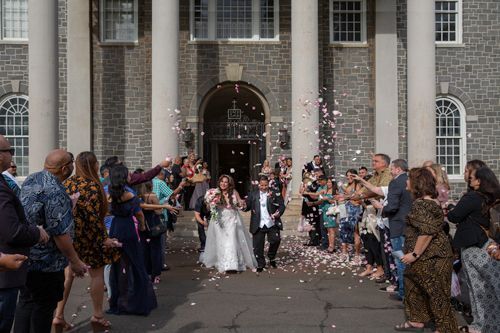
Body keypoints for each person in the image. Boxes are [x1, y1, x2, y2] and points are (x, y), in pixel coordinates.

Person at [14, 149, 88, 333]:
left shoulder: (32, 179)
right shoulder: (55, 191)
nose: (73, 166)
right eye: (72, 162)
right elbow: (60, 233)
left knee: (26, 302)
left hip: (26, 256)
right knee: (43, 308)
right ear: (65, 168)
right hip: (46, 263)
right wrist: (75, 261)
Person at [53, 152, 122, 332]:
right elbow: (94, 218)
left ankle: (58, 316)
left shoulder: (67, 183)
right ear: (94, 165)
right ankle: (98, 315)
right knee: (97, 275)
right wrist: (104, 238)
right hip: (90, 237)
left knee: (67, 276)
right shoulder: (93, 186)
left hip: (70, 237)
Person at [394, 167, 458, 332]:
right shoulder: (428, 201)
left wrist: (414, 254)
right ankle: (417, 318)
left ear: (417, 183)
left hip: (432, 256)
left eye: (409, 179)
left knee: (437, 293)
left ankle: (445, 328)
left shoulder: (422, 204)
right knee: (412, 283)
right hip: (430, 255)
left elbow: (427, 232)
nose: (406, 182)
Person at [0, 135, 49, 333]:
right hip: (4, 277)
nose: (12, 155)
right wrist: (36, 232)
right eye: (9, 150)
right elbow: (12, 231)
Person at [447, 166, 500, 333]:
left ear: (480, 181)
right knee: (492, 287)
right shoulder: (492, 198)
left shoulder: (472, 197)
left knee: (478, 288)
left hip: (474, 245)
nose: (470, 179)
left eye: (473, 177)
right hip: (489, 243)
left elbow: (454, 216)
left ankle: (482, 324)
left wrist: (450, 209)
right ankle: (490, 324)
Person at [106, 165, 157, 316]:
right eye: (127, 174)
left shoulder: (109, 193)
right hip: (128, 228)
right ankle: (139, 302)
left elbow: (107, 211)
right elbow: (139, 214)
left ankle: (116, 303)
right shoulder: (129, 195)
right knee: (136, 264)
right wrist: (141, 226)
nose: (130, 176)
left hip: (115, 228)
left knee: (116, 267)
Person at [200, 175, 257, 273]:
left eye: (226, 182)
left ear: (229, 184)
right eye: (222, 181)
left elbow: (240, 204)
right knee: (221, 241)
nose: (223, 184)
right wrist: (211, 202)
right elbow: (208, 208)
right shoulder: (214, 192)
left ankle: (231, 265)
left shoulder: (234, 192)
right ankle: (222, 262)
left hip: (232, 219)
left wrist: (242, 204)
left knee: (231, 240)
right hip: (219, 219)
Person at [381, 159, 412, 301]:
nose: (390, 172)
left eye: (392, 169)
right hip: (410, 225)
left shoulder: (396, 182)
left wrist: (380, 207)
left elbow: (392, 206)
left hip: (398, 224)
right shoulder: (411, 180)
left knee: (401, 259)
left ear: (398, 169)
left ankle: (403, 292)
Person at [244, 176, 285, 272]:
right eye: (261, 185)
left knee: (275, 240)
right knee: (258, 245)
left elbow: (281, 205)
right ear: (258, 184)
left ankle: (271, 257)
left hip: (272, 222)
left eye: (265, 185)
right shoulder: (253, 194)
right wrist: (242, 206)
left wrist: (278, 213)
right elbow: (247, 207)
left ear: (268, 184)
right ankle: (260, 264)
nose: (263, 187)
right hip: (258, 223)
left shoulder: (275, 193)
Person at [337, 169, 363, 262]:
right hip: (345, 209)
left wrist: (346, 196)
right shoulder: (347, 185)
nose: (349, 177)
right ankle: (344, 253)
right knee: (343, 231)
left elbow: (359, 198)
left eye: (351, 175)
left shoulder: (358, 185)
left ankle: (357, 254)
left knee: (356, 232)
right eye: (347, 175)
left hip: (355, 210)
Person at [318, 177, 338, 253]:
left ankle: (332, 246)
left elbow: (336, 201)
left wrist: (328, 199)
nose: (328, 184)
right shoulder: (325, 190)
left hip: (331, 211)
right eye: (328, 182)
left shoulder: (335, 191)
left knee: (331, 229)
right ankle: (330, 245)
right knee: (327, 229)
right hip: (325, 211)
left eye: (330, 182)